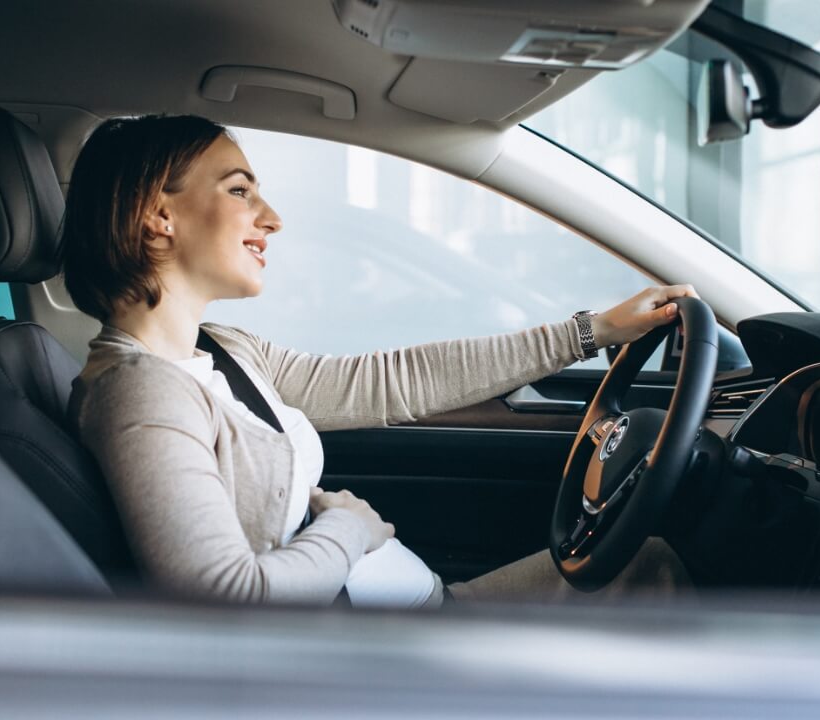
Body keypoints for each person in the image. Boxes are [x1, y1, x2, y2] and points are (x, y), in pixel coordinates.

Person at [62, 115, 695, 608]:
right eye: (238, 190)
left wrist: (595, 330)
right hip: (385, 664)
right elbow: (225, 601)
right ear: (157, 215)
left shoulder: (221, 350)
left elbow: (394, 381)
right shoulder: (141, 392)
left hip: (422, 610)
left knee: (653, 560)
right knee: (661, 574)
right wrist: (350, 530)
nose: (272, 219)